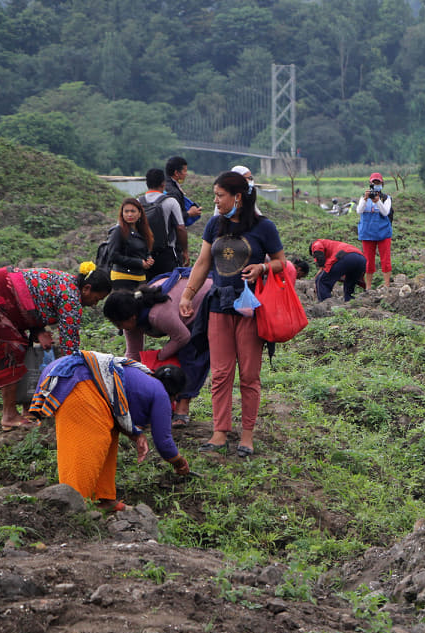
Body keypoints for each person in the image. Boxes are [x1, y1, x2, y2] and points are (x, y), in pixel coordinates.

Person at [180, 171, 286, 458]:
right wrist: (188, 294)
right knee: (221, 373)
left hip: (249, 310)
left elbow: (281, 262)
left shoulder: (264, 228)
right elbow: (203, 263)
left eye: (219, 195)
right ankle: (219, 431)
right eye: (215, 195)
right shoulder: (214, 225)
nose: (216, 200)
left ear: (237, 197)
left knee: (249, 375)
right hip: (218, 306)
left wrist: (262, 268)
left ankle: (248, 434)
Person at [29, 351, 191, 512]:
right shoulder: (161, 393)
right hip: (79, 381)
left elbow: (119, 414)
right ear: (175, 395)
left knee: (108, 434)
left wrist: (135, 435)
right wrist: (179, 462)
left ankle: (103, 498)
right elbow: (164, 442)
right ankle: (74, 507)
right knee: (84, 448)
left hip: (71, 373)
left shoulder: (144, 378)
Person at [0, 262, 112, 431]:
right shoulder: (71, 298)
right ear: (87, 288)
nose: (94, 304)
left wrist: (39, 331)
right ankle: (9, 415)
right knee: (11, 351)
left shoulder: (67, 284)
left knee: (24, 348)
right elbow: (70, 348)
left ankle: (29, 409)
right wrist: (77, 382)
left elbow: (31, 301)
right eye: (96, 299)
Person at [103, 269, 214, 428]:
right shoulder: (131, 318)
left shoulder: (158, 314)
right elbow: (133, 354)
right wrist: (123, 378)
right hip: (179, 308)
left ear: (132, 317)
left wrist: (160, 357)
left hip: (202, 296)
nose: (119, 328)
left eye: (119, 324)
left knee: (190, 354)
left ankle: (182, 408)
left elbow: (183, 337)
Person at [141, 168, 186, 278]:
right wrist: (185, 251)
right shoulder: (170, 202)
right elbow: (180, 228)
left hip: (144, 255)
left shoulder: (138, 202)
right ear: (163, 183)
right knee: (168, 287)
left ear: (147, 183)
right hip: (167, 254)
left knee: (146, 289)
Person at [106, 198, 155, 290]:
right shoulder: (118, 231)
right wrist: (139, 262)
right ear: (122, 213)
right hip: (122, 277)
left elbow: (143, 251)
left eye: (133, 211)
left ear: (140, 213)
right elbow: (113, 256)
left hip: (140, 277)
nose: (129, 214)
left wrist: (148, 259)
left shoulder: (143, 231)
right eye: (126, 211)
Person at [356, 172, 393, 289]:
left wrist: (377, 201)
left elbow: (385, 212)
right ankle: (368, 287)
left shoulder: (386, 198)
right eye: (374, 183)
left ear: (382, 184)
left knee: (385, 259)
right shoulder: (363, 197)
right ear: (370, 184)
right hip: (367, 233)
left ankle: (387, 285)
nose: (376, 185)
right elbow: (359, 210)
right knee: (368, 261)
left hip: (383, 232)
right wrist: (366, 199)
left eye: (378, 183)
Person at [299, 238, 367, 302]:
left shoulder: (317, 243)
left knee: (321, 281)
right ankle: (349, 302)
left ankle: (326, 304)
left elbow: (318, 249)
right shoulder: (332, 244)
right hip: (361, 259)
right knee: (350, 283)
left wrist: (321, 267)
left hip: (345, 256)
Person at [164, 155, 202, 227]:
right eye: (185, 171)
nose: (186, 174)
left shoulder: (166, 184)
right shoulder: (173, 192)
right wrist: (189, 213)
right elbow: (172, 217)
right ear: (176, 173)